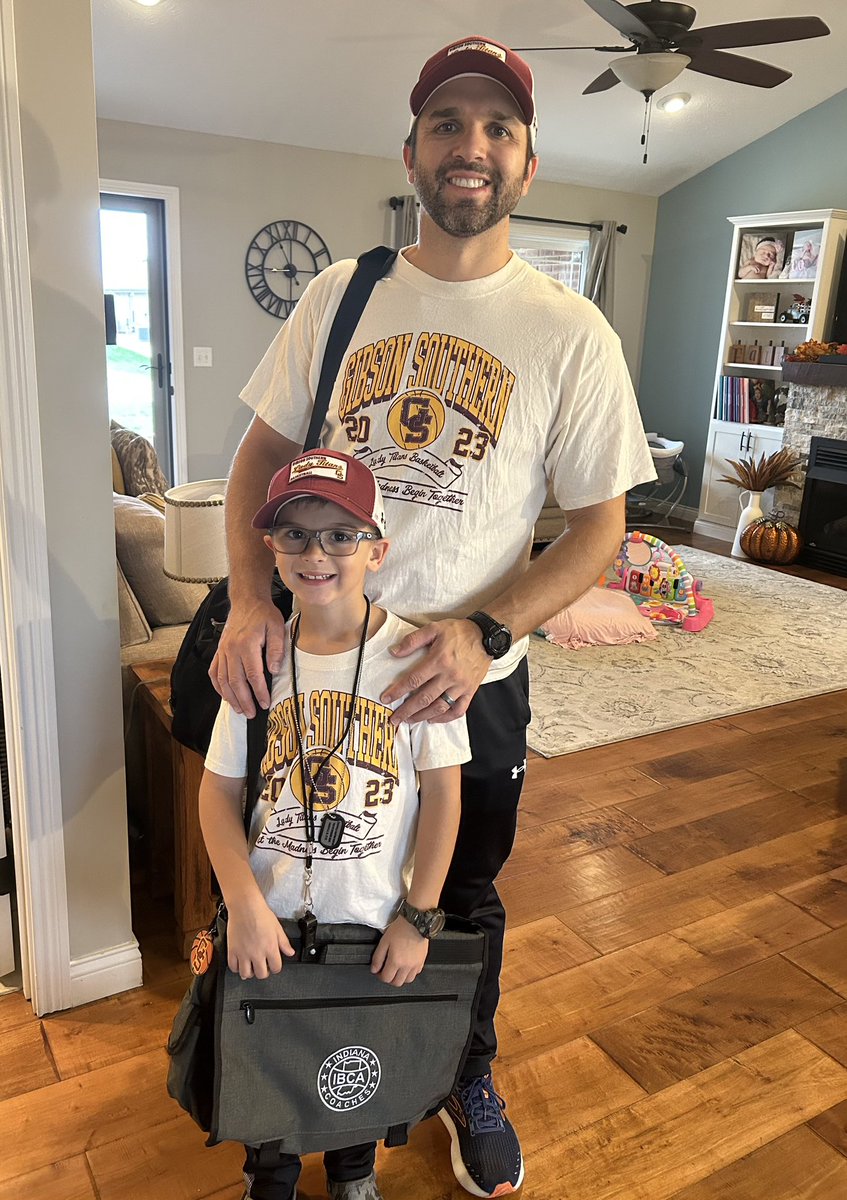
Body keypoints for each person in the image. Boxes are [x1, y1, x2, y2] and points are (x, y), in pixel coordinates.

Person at [211, 35, 656, 1197]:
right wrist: (249, 597)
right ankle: (276, 1073)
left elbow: (601, 531)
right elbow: (257, 456)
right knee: (303, 862)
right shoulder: (339, 294)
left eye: (496, 127)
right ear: (410, 150)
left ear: (528, 159)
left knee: (455, 892)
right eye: (448, 125)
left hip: (464, 684)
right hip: (318, 658)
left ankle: (462, 1070)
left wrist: (486, 632)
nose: (471, 147)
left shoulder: (571, 335)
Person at [199, 449, 469, 1200]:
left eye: (340, 535)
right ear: (271, 548)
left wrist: (419, 916)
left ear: (377, 548)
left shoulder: (415, 658)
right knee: (269, 1068)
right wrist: (244, 906)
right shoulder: (255, 659)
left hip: (375, 921)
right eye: (296, 535)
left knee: (359, 1060)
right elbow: (216, 795)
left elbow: (444, 798)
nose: (316, 554)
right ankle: (270, 1178)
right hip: (271, 923)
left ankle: (354, 1172)